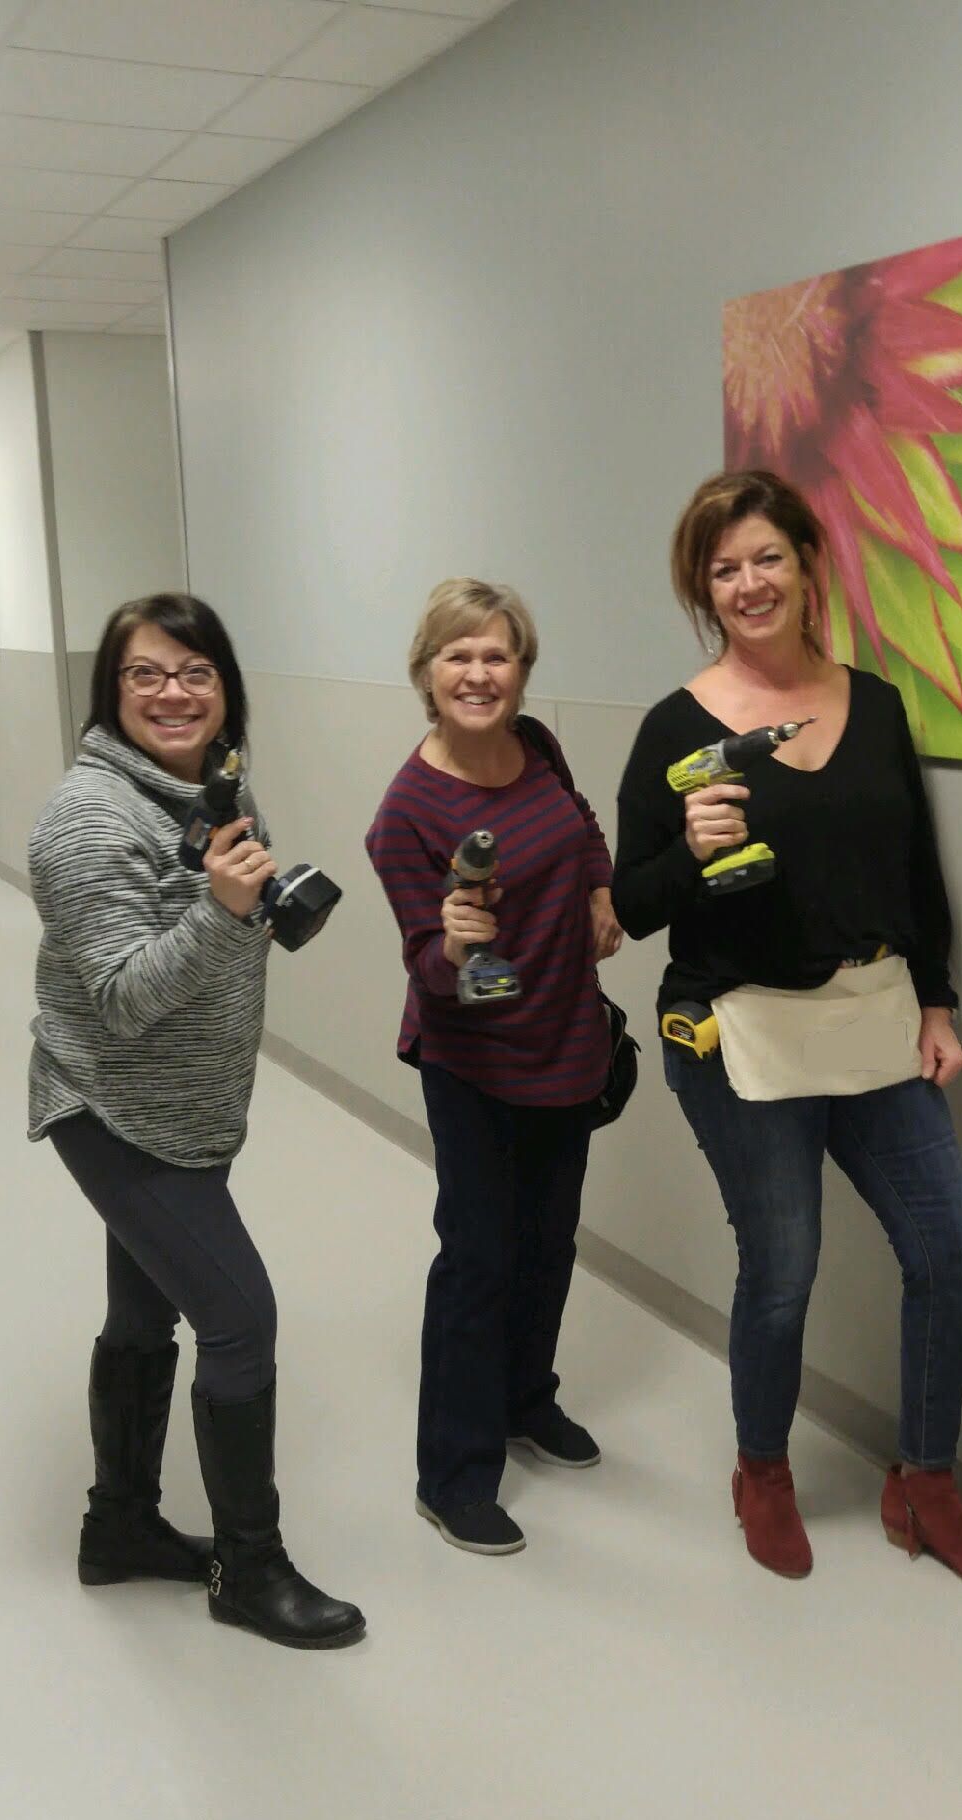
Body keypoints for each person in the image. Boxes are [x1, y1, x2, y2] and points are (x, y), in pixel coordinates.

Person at [610, 471, 962, 1588]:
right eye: (722, 568)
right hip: (737, 1029)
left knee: (948, 1248)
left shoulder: (875, 703)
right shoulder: (672, 727)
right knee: (782, 1265)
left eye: (765, 559)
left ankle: (924, 1484)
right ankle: (762, 1472)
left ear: (807, 566)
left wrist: (934, 1000)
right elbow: (631, 904)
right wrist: (688, 850)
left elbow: (912, 873)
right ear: (704, 588)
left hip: (872, 1018)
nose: (747, 584)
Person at [28, 592, 365, 1648]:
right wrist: (224, 915)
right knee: (240, 1322)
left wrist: (241, 903)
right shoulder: (87, 820)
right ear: (111, 691)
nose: (174, 692)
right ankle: (248, 1570)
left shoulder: (213, 783)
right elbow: (124, 994)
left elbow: (214, 909)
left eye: (195, 672)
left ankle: (119, 1528)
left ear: (225, 689)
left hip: (190, 1107)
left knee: (145, 1316)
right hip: (117, 1109)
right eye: (146, 674)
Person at [366, 578, 622, 1556]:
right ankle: (454, 1473)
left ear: (521, 670)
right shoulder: (406, 814)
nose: (478, 673)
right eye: (457, 656)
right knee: (478, 1260)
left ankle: (525, 1401)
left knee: (549, 1242)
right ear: (427, 674)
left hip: (566, 1039)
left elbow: (583, 826)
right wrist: (457, 944)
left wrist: (598, 892)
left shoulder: (538, 747)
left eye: (496, 656)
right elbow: (428, 976)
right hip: (472, 1061)